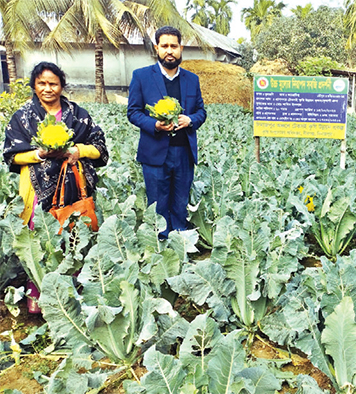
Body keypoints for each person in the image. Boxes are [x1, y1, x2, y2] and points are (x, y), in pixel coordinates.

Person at [3, 61, 109, 312]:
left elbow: (101, 149)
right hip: (37, 191)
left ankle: (73, 299)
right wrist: (38, 154)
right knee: (40, 241)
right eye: (42, 83)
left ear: (62, 86)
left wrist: (77, 150)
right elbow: (11, 155)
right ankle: (39, 301)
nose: (48, 88)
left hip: (72, 187)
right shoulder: (23, 117)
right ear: (34, 86)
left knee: (73, 239)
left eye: (53, 83)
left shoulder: (78, 114)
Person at [127, 26, 207, 239]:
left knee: (181, 202)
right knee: (158, 203)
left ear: (181, 48)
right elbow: (133, 112)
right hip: (154, 153)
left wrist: (190, 120)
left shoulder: (192, 79)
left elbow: (201, 112)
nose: (169, 51)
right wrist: (154, 125)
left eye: (174, 46)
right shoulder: (142, 76)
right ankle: (161, 243)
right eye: (165, 46)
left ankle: (180, 242)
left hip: (184, 153)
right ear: (157, 48)